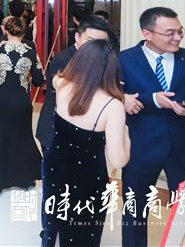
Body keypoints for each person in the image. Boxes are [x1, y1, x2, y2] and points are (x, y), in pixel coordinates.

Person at [120, 7, 185, 247]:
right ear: (147, 33)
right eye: (170, 33)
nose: (177, 37)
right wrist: (149, 99)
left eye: (180, 31)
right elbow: (112, 95)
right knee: (134, 211)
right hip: (141, 147)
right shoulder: (124, 60)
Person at [43, 40, 130, 247]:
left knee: (55, 215)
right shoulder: (113, 106)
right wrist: (126, 135)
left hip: (55, 165)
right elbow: (118, 160)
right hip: (87, 177)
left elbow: (55, 78)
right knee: (82, 231)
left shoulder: (63, 85)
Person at [0, 17, 43, 194]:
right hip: (22, 102)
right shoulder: (30, 50)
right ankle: (24, 179)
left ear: (6, 30)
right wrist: (25, 78)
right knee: (22, 137)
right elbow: (39, 79)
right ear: (23, 32)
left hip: (0, 100)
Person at [36, 17, 112, 152]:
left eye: (100, 43)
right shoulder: (63, 61)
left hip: (87, 133)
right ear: (77, 37)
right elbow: (75, 94)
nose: (95, 48)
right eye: (90, 41)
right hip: (58, 133)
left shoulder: (106, 61)